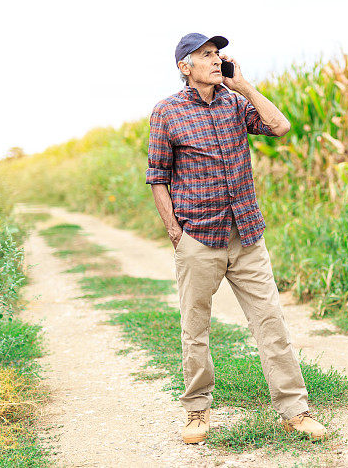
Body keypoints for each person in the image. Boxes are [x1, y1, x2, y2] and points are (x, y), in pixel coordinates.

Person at [145, 32, 327, 444]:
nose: (216, 60)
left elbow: (280, 126)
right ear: (184, 67)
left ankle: (295, 412)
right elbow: (157, 176)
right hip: (197, 237)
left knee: (271, 323)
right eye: (206, 55)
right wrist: (175, 231)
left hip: (246, 236)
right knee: (196, 328)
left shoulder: (235, 103)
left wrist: (242, 85)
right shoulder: (167, 112)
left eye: (217, 54)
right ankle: (197, 412)